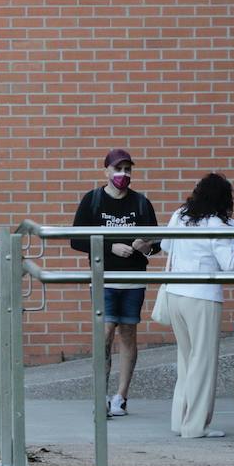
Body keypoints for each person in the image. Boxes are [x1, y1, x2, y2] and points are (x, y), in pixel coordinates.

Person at [160, 174, 234, 439]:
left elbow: (166, 246)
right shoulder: (215, 223)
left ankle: (181, 421)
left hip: (175, 293)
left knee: (186, 360)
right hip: (202, 297)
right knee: (203, 362)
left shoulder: (181, 214)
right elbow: (232, 265)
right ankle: (196, 426)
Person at [70, 148, 160, 417]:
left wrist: (145, 247)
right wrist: (110, 247)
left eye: (127, 169)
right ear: (106, 171)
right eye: (118, 169)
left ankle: (121, 397)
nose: (123, 174)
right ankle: (101, 394)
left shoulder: (141, 203)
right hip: (104, 278)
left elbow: (156, 244)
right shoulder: (93, 200)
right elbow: (76, 239)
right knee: (105, 333)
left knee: (128, 335)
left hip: (134, 280)